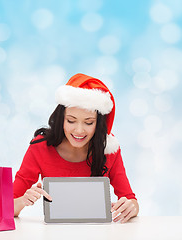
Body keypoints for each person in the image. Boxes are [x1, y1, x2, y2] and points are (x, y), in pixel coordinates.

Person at [13, 73, 139, 223]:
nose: (79, 131)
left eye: (88, 122)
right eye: (71, 121)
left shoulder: (109, 150)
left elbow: (131, 200)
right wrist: (23, 201)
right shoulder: (40, 147)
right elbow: (7, 206)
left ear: (98, 124)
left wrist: (131, 207)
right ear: (61, 119)